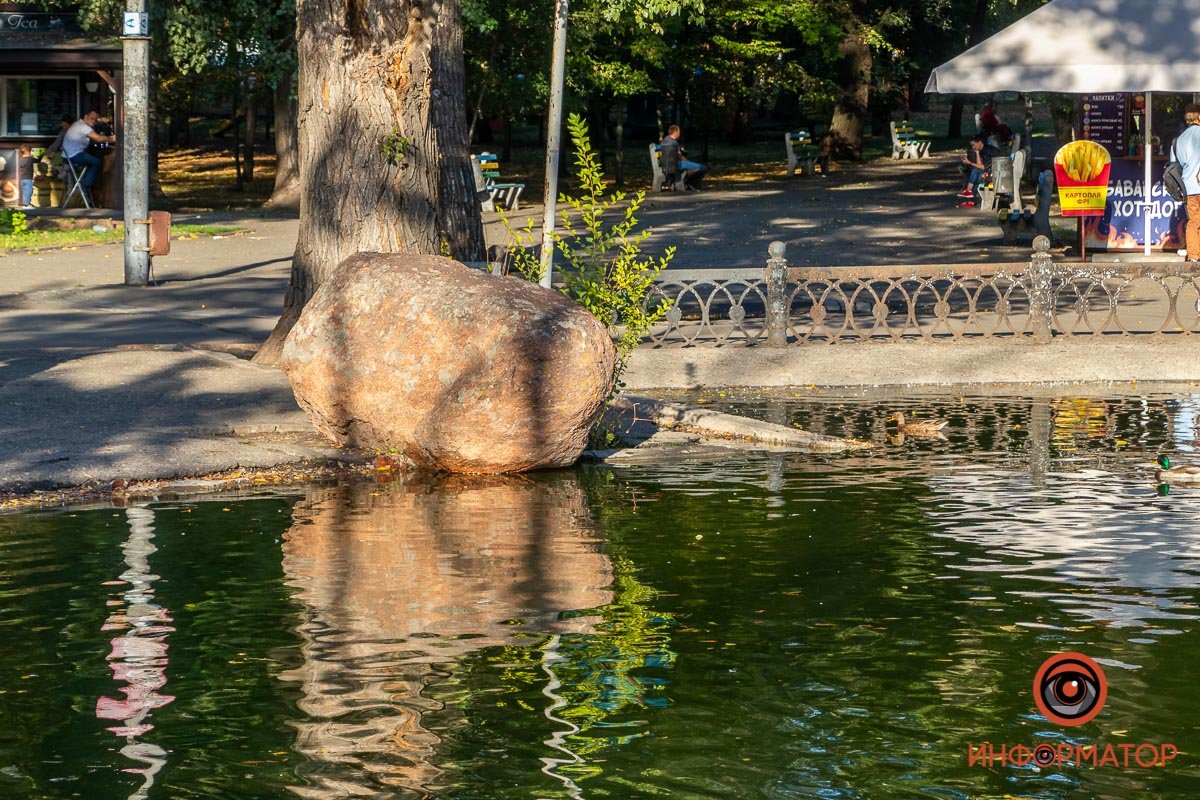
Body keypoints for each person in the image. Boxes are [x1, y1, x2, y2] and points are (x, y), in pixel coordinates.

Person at [62, 110, 116, 203]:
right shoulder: (84, 127)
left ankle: (84, 186)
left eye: (95, 120)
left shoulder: (78, 123)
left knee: (92, 160)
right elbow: (98, 138)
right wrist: (112, 138)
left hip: (67, 156)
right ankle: (84, 186)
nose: (93, 121)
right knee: (96, 162)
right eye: (92, 118)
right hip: (73, 156)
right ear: (85, 117)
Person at [1172, 104, 1200, 261]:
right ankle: (1195, 253)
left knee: (1194, 220)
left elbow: (1174, 163)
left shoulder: (1179, 140)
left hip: (1188, 186)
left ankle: (1194, 255)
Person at [957, 135, 998, 208]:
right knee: (977, 175)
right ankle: (970, 199)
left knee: (976, 171)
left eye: (973, 145)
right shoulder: (982, 150)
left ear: (979, 142)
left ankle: (969, 192)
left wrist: (969, 163)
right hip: (990, 172)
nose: (973, 147)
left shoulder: (987, 151)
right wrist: (977, 153)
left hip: (995, 174)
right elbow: (980, 164)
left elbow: (983, 167)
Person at [662, 124, 707, 189]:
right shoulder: (674, 143)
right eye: (679, 132)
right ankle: (690, 183)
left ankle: (689, 182)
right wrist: (689, 162)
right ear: (675, 132)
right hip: (676, 165)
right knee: (702, 167)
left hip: (667, 165)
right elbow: (680, 156)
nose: (680, 133)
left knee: (693, 167)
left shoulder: (665, 140)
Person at [17, 144, 34, 208]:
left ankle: (26, 203)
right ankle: (26, 204)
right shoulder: (30, 159)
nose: (31, 152)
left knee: (25, 191)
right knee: (28, 191)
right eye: (30, 151)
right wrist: (42, 155)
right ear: (27, 151)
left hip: (22, 178)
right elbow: (38, 160)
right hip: (28, 178)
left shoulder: (20, 159)